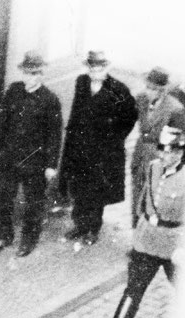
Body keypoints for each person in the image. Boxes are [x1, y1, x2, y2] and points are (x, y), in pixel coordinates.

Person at [85, 125, 185, 318]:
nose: (164, 155)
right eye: (161, 150)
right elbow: (145, 199)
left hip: (173, 246)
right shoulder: (153, 168)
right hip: (146, 241)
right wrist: (140, 227)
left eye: (169, 151)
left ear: (180, 153)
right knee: (133, 289)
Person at [0, 51, 63, 257]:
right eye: (28, 73)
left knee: (33, 203)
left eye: (36, 73)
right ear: (23, 73)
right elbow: (0, 122)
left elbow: (54, 136)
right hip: (10, 157)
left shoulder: (50, 100)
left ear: (42, 74)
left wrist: (50, 165)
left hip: (35, 161)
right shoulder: (13, 91)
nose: (31, 77)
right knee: (3, 197)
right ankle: (3, 235)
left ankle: (29, 240)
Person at [59, 50, 138, 245]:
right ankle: (79, 225)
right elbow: (76, 111)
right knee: (78, 188)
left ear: (106, 67)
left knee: (96, 191)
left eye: (100, 67)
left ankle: (93, 229)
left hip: (102, 152)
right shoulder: (82, 82)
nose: (96, 71)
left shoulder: (117, 89)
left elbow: (130, 116)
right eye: (92, 67)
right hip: (80, 148)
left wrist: (115, 138)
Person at [131, 67, 185, 227]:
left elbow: (182, 143)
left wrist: (173, 167)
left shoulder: (176, 109)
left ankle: (151, 243)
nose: (149, 92)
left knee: (154, 199)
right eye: (147, 87)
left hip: (160, 159)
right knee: (137, 197)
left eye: (154, 89)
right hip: (140, 154)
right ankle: (137, 236)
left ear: (162, 90)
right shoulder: (141, 99)